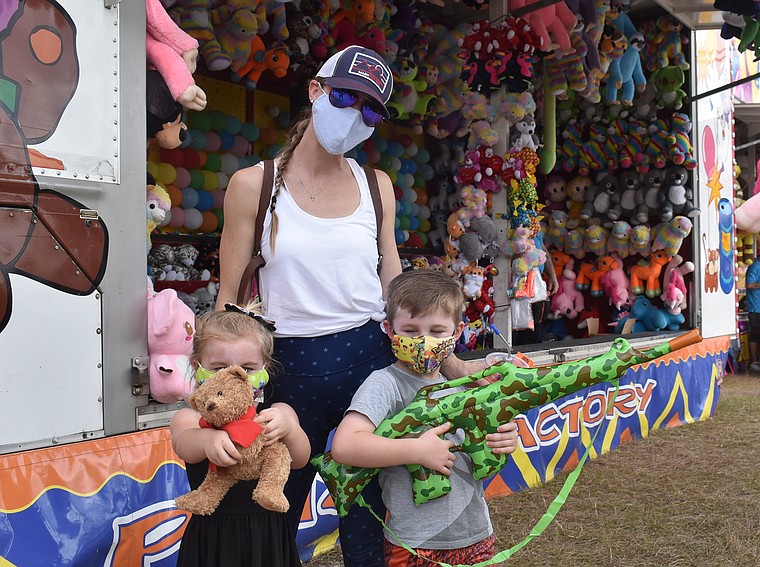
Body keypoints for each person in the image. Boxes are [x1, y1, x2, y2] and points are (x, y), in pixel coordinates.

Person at [215, 45, 488, 566]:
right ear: (316, 91)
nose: (355, 116)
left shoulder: (377, 187)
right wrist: (219, 383)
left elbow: (397, 293)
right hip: (283, 373)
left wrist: (448, 361)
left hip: (369, 371)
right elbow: (228, 302)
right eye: (346, 97)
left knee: (372, 528)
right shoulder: (253, 185)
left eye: (372, 109)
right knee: (267, 518)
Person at [331, 270, 519, 566]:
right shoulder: (385, 384)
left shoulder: (464, 385)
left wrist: (506, 438)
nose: (424, 341)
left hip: (476, 533)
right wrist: (416, 450)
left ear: (457, 333)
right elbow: (344, 446)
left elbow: (487, 446)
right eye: (411, 330)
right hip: (415, 543)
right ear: (390, 330)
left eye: (437, 331)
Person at [170, 304, 311, 567]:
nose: (236, 377)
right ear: (196, 366)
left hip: (268, 535)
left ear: (264, 368)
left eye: (248, 368)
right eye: (218, 367)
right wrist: (207, 440)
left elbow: (302, 459)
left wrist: (290, 429)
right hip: (213, 537)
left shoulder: (277, 412)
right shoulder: (191, 419)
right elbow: (184, 443)